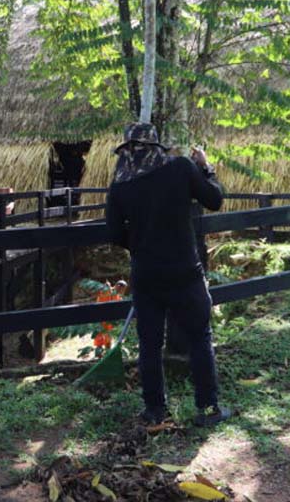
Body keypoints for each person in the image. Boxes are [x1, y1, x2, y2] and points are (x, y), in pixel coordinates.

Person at [105, 122, 231, 427]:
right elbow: (214, 199)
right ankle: (208, 407)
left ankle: (155, 411)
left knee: (150, 345)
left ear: (126, 151)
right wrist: (206, 167)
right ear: (157, 147)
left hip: (146, 274)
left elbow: (113, 233)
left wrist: (138, 243)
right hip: (185, 269)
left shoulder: (120, 185)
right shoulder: (182, 168)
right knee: (200, 336)